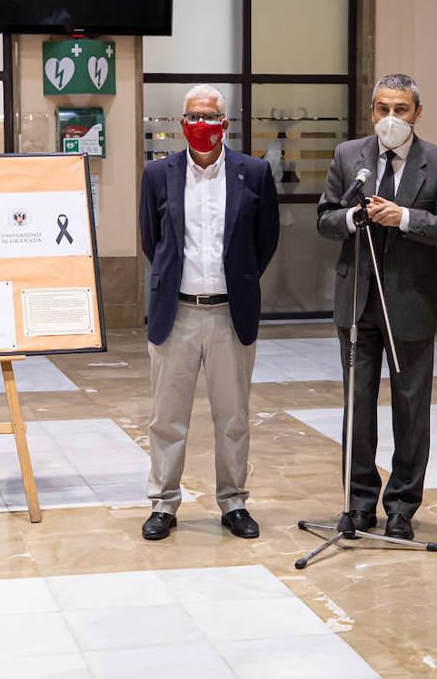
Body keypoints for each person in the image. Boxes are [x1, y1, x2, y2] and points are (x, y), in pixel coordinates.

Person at [316, 73, 437, 540]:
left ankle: (403, 505)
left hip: (411, 303)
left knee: (410, 409)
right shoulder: (349, 156)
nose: (390, 118)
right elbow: (324, 218)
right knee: (357, 408)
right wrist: (352, 217)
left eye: (400, 109)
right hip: (357, 303)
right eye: (382, 108)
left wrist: (403, 217)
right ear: (372, 111)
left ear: (417, 113)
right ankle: (358, 502)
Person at [137, 84, 280, 541]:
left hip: (229, 314)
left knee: (233, 416)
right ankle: (163, 502)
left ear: (225, 123)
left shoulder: (253, 173)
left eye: (210, 117)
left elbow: (265, 241)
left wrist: (236, 280)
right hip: (175, 312)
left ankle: (234, 501)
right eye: (194, 117)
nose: (202, 125)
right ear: (182, 124)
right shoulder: (158, 175)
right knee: (166, 417)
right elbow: (151, 239)